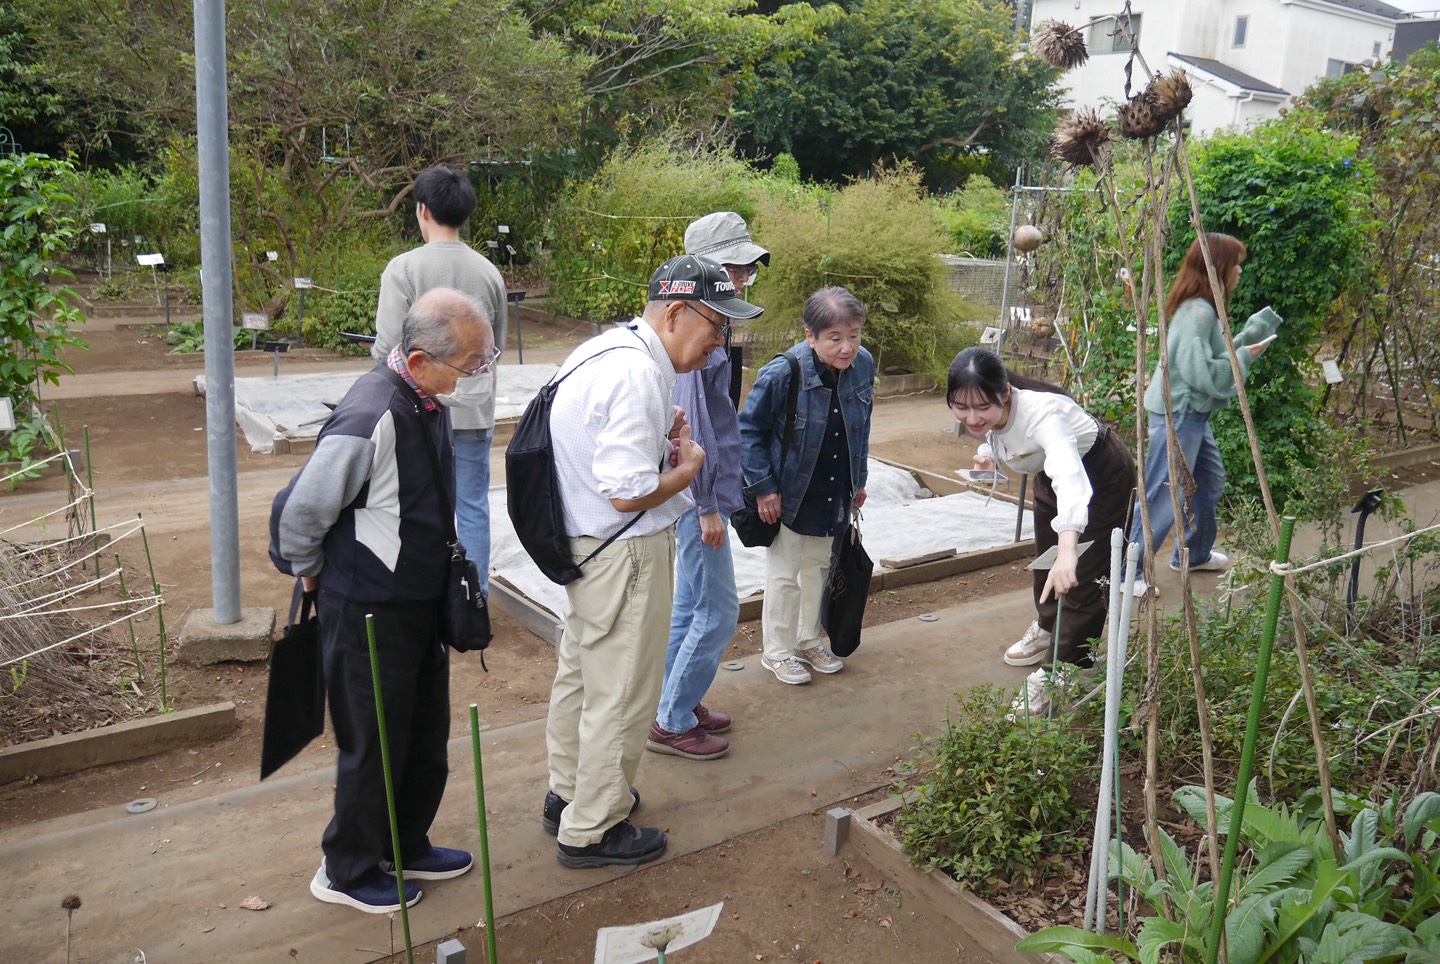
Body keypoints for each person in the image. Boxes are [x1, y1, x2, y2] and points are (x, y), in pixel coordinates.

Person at [270, 289, 495, 913]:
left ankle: (402, 843)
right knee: (374, 740)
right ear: (420, 360)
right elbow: (300, 511)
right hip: (369, 606)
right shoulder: (371, 413)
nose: (478, 373)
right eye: (471, 363)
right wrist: (309, 572)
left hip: (418, 600)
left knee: (423, 733)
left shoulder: (427, 398)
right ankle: (346, 868)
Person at [542, 254, 762, 869]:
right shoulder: (639, 373)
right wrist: (688, 470)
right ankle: (594, 826)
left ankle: (570, 793)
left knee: (582, 676)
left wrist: (661, 430)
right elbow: (628, 489)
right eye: (715, 323)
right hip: (624, 550)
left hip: (585, 545)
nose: (719, 340)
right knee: (624, 691)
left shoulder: (604, 350)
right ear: (675, 312)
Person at [947, 347, 1135, 716]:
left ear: (1005, 393)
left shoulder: (1045, 416)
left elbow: (1071, 478)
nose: (972, 417)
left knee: (1081, 575)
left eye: (982, 407)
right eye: (961, 407)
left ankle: (1063, 669)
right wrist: (988, 454)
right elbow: (999, 431)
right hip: (1048, 475)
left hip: (1101, 474)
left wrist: (1069, 549)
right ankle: (1048, 626)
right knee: (1046, 561)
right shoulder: (993, 413)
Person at [645, 213, 771, 762]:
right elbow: (691, 430)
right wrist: (708, 507)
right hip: (700, 497)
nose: (740, 278)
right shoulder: (693, 337)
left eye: (745, 269)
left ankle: (674, 701)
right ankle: (672, 719)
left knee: (690, 605)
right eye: (732, 268)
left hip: (699, 494)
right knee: (717, 610)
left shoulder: (715, 326)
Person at [372, 165, 507, 598]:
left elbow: (388, 347)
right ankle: (474, 599)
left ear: (423, 210)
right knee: (472, 506)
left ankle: (426, 598)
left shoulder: (403, 269)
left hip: (416, 413)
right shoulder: (488, 272)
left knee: (416, 505)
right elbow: (495, 347)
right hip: (473, 410)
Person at [1129, 233, 1281, 591]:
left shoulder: (1202, 308)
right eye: (1236, 264)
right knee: (1164, 493)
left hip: (1189, 414)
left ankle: (1193, 554)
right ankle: (1126, 571)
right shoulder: (1198, 312)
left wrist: (1248, 341)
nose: (1240, 271)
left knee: (1208, 480)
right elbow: (1202, 374)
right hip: (1179, 413)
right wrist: (1245, 357)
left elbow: (1209, 358)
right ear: (1219, 267)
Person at [738, 287, 874, 687]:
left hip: (835, 486)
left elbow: (862, 426)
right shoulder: (784, 373)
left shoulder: (863, 365)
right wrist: (764, 488)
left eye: (854, 335)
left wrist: (859, 479)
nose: (847, 347)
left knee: (819, 567)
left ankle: (808, 640)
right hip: (790, 491)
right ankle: (777, 652)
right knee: (785, 573)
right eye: (835, 338)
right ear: (810, 336)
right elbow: (748, 430)